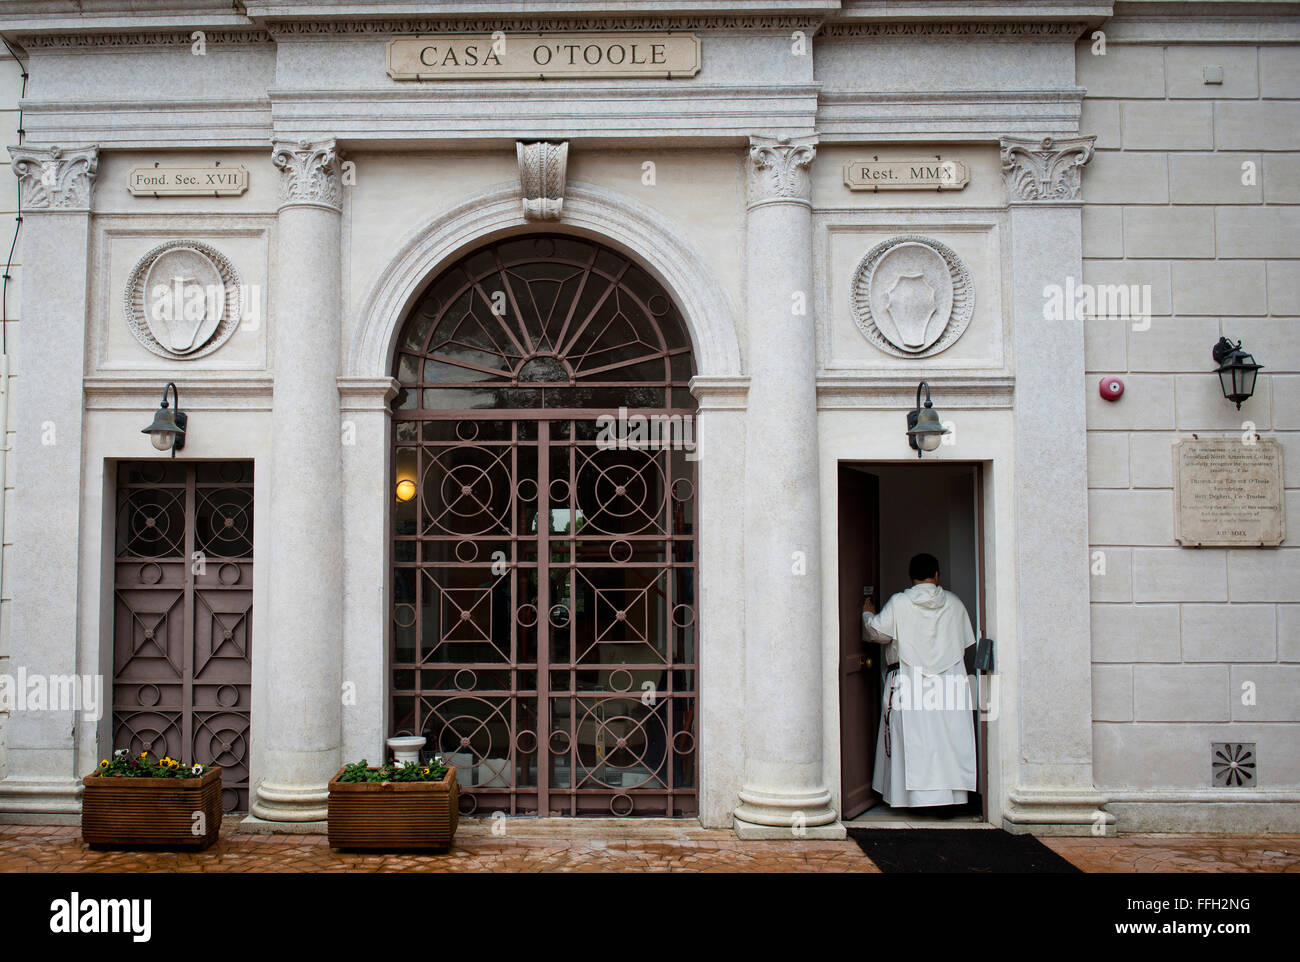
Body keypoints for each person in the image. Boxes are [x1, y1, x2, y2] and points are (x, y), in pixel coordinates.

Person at [861, 552, 977, 809]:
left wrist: (867, 615)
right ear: (937, 575)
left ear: (911, 577)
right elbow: (965, 645)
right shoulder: (954, 603)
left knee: (914, 740)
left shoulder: (900, 602)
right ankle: (950, 799)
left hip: (909, 680)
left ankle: (912, 800)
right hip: (949, 684)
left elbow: (877, 632)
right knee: (947, 740)